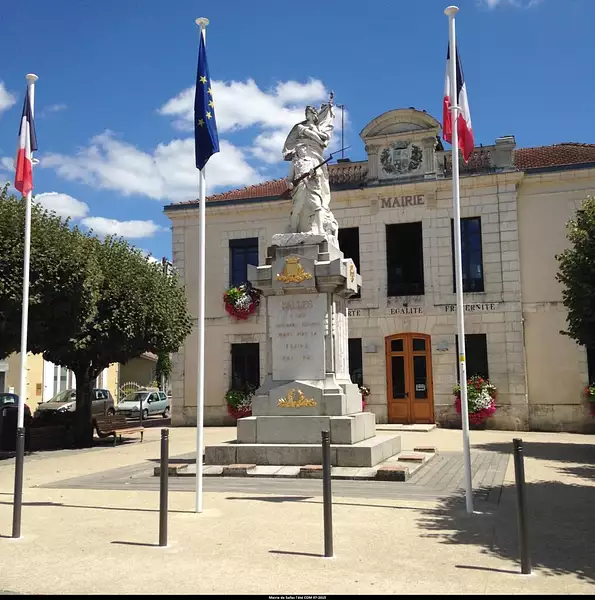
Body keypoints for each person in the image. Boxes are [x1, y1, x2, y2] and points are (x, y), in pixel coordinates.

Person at [282, 95, 338, 240]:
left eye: (309, 113)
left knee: (317, 205)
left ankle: (319, 229)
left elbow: (322, 140)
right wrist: (290, 183)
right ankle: (294, 229)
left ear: (314, 115)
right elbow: (289, 177)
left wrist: (313, 174)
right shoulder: (296, 160)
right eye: (301, 148)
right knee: (297, 209)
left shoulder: (313, 160)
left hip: (311, 184)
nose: (302, 149)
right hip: (300, 186)